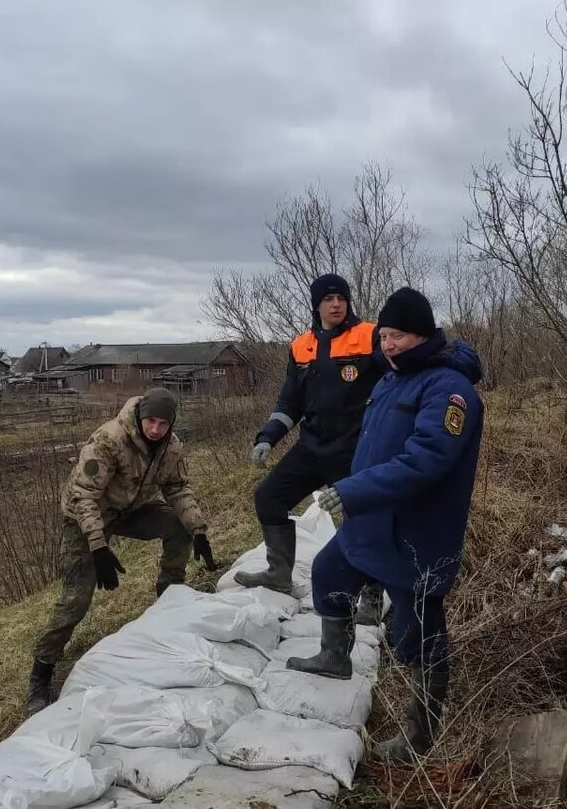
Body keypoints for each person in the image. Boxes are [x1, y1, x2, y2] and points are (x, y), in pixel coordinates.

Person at [285, 287, 483, 762]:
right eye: (386, 335)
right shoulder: (391, 379)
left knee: (417, 629)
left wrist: (351, 490)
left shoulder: (448, 389)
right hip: (370, 519)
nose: (389, 344)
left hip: (416, 529)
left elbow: (425, 461)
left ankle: (421, 731)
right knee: (330, 572)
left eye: (399, 336)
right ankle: (335, 657)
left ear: (423, 335)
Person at [26, 387, 216, 715]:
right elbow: (82, 495)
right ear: (140, 417)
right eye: (151, 421)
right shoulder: (108, 440)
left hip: (130, 511)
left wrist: (198, 529)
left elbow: (177, 488)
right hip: (85, 516)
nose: (155, 429)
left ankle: (169, 599)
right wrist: (98, 547)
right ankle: (41, 671)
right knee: (75, 600)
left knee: (177, 525)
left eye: (163, 423)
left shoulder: (171, 448)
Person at [235, 273, 385, 622]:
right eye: (328, 299)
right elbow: (290, 401)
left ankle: (373, 594)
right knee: (268, 497)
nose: (336, 304)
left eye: (341, 298)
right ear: (316, 304)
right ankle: (279, 574)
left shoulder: (369, 336)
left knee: (366, 517)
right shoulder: (300, 346)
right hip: (311, 447)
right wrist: (267, 437)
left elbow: (398, 371)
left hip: (354, 449)